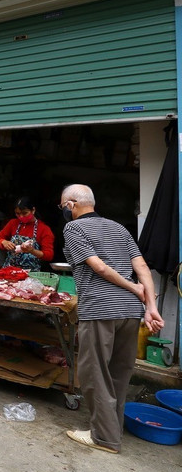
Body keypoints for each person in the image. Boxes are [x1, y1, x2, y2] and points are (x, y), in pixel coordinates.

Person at [60, 184, 163, 454]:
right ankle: (112, 431)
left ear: (71, 205)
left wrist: (135, 290)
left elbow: (100, 267)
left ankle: (104, 439)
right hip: (130, 312)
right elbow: (141, 267)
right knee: (119, 373)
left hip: (100, 309)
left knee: (94, 372)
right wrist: (150, 305)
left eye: (63, 206)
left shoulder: (74, 228)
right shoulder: (119, 228)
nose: (63, 211)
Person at [0, 196, 55, 269]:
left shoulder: (44, 229)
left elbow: (49, 255)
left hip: (31, 274)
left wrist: (32, 251)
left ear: (33, 210)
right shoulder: (13, 223)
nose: (21, 216)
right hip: (9, 269)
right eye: (17, 213)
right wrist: (3, 242)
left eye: (24, 213)